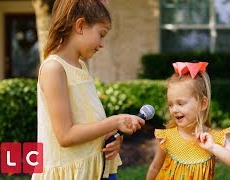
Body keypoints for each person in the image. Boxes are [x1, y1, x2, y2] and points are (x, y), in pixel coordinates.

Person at [31, 0, 145, 179]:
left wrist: (112, 137)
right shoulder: (54, 68)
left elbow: (89, 120)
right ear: (81, 25)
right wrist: (114, 121)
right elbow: (65, 136)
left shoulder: (81, 67)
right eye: (101, 34)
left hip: (96, 167)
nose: (102, 44)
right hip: (73, 173)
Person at [146, 62, 230, 180]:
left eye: (180, 103)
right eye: (170, 104)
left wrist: (213, 147)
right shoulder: (167, 138)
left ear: (203, 104)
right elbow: (154, 168)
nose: (174, 110)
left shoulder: (213, 138)